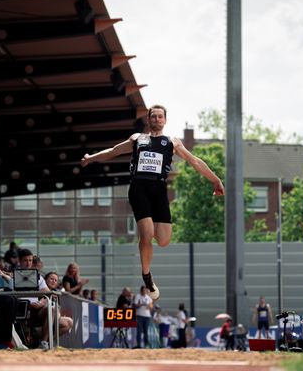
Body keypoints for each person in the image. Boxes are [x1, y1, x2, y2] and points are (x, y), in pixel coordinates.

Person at [81, 104, 224, 300]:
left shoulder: (172, 142)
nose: (156, 119)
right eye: (153, 117)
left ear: (165, 120)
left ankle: (147, 245)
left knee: (163, 240)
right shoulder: (137, 139)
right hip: (139, 188)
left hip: (159, 190)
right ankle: (146, 274)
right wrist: (91, 158)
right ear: (148, 120)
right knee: (147, 233)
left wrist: (215, 179)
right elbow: (113, 151)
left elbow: (195, 161)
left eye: (160, 117)